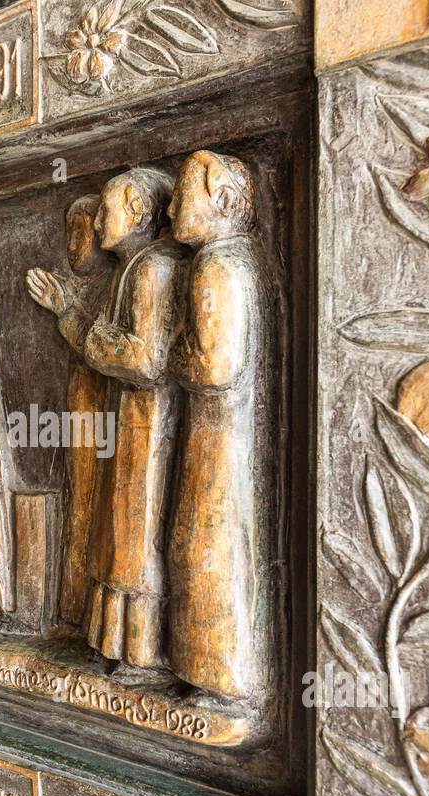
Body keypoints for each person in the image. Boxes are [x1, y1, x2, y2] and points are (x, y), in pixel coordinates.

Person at [165, 151, 265, 700]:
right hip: (224, 430)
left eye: (185, 195)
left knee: (205, 544)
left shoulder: (215, 266)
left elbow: (213, 365)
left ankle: (215, 673)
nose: (174, 205)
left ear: (224, 201)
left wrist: (169, 355)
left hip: (218, 434)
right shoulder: (238, 260)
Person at [79, 168, 187, 671]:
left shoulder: (155, 269)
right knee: (120, 534)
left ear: (140, 213)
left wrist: (87, 333)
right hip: (132, 420)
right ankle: (119, 649)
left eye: (108, 209)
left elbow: (146, 360)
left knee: (135, 534)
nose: (99, 220)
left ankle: (142, 655)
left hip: (151, 421)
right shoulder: (135, 267)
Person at [24, 194, 114, 627]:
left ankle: (87, 614)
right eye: (69, 235)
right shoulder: (91, 285)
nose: (72, 245)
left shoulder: (119, 283)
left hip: (105, 413)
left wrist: (64, 311)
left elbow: (101, 344)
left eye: (79, 235)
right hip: (84, 411)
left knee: (96, 509)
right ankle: (75, 608)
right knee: (82, 503)